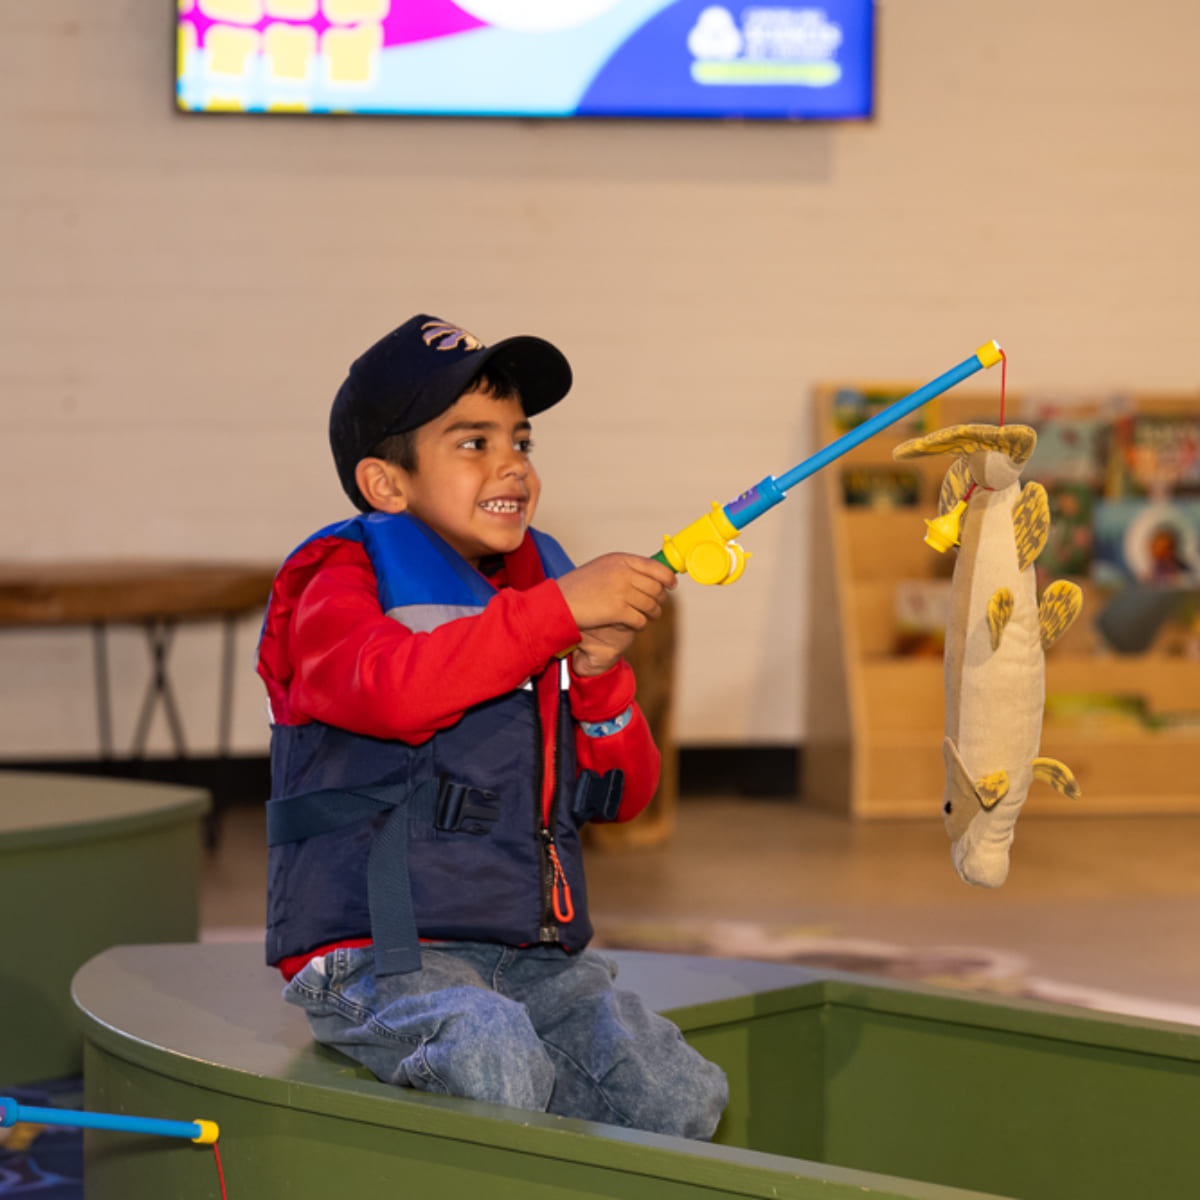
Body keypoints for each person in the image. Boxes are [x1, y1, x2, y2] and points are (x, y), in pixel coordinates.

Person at [256, 314, 728, 1139]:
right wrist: (555, 613)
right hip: (377, 951)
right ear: (386, 484)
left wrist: (600, 670)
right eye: (472, 442)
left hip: (528, 955)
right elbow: (393, 691)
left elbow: (623, 797)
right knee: (490, 1055)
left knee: (678, 1094)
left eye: (521, 439)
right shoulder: (339, 578)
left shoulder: (536, 584)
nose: (512, 462)